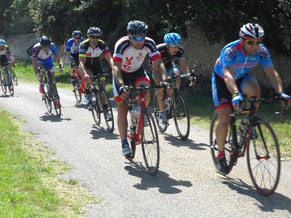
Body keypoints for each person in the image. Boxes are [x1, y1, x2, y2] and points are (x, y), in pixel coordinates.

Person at [212, 23, 291, 174]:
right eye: (250, 42)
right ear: (242, 40)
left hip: (241, 77)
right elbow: (228, 74)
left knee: (254, 89)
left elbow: (271, 73)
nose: (255, 46)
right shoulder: (230, 50)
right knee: (225, 118)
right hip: (222, 79)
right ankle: (221, 154)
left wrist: (281, 92)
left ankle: (247, 121)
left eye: (258, 42)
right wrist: (235, 94)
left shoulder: (262, 52)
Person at [112, 20, 169, 157]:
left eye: (142, 37)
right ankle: (124, 142)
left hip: (137, 71)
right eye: (136, 38)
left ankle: (142, 111)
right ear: (129, 36)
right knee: (122, 106)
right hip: (121, 74)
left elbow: (158, 64)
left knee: (146, 88)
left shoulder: (149, 43)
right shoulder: (122, 45)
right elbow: (115, 68)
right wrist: (121, 86)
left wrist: (164, 81)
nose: (139, 41)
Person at [152, 32, 192, 124]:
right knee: (161, 87)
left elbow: (183, 66)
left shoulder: (180, 50)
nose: (176, 49)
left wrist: (188, 75)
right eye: (173, 46)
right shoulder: (158, 50)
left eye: (177, 46)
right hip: (156, 66)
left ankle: (173, 96)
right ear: (167, 45)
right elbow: (155, 70)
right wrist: (162, 82)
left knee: (177, 75)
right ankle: (162, 112)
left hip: (168, 64)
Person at [78, 27, 114, 113]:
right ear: (88, 36)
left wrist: (114, 69)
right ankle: (87, 93)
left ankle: (105, 109)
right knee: (89, 77)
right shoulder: (84, 45)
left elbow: (109, 59)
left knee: (103, 85)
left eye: (97, 37)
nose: (95, 39)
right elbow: (81, 62)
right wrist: (85, 74)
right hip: (86, 65)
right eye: (92, 37)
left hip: (96, 65)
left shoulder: (102, 44)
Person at [32, 36, 64, 108]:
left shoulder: (52, 46)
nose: (46, 48)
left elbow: (59, 58)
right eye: (44, 47)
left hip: (48, 59)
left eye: (48, 46)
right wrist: (37, 72)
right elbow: (34, 62)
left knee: (53, 80)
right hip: (39, 60)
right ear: (41, 45)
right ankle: (41, 82)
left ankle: (56, 98)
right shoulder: (36, 48)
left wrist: (61, 67)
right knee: (41, 70)